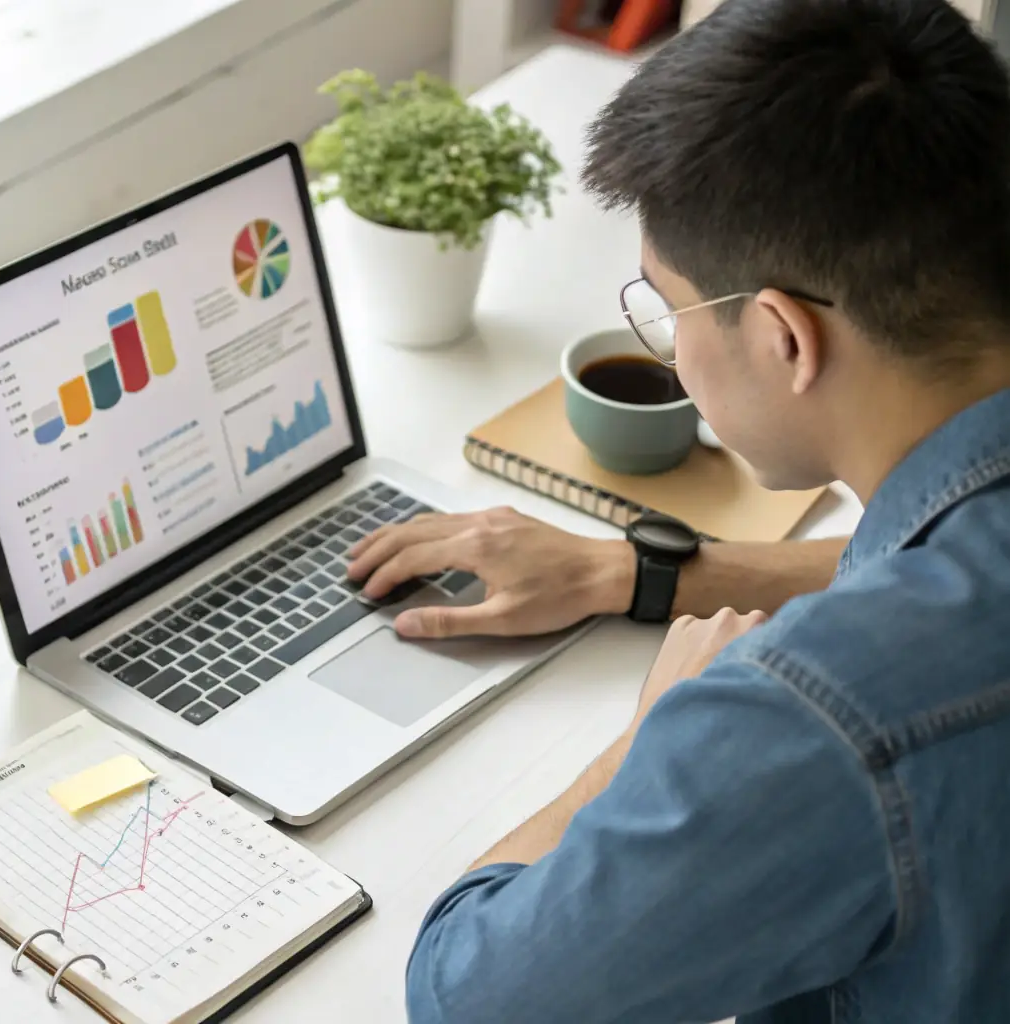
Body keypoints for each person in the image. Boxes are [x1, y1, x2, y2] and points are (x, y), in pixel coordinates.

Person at [345, 0, 1010, 1020]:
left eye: (667, 307)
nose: (671, 348)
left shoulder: (808, 722)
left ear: (786, 338)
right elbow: (948, 565)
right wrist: (637, 570)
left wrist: (651, 743)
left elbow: (471, 997)